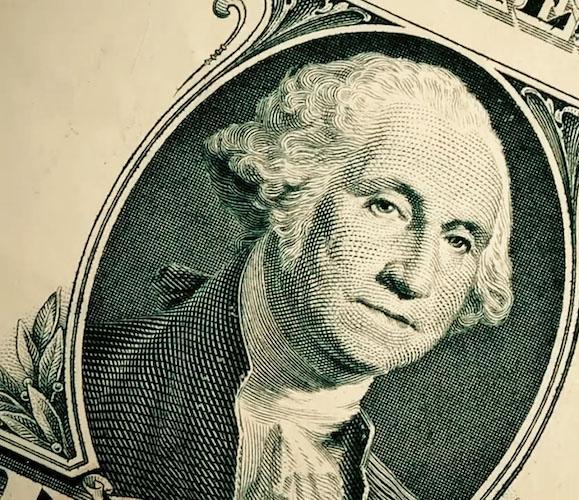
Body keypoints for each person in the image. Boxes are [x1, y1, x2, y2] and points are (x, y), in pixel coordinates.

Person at [83, 52, 514, 500]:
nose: (415, 278)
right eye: (386, 206)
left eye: (458, 241)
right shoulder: (82, 385)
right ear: (292, 190)